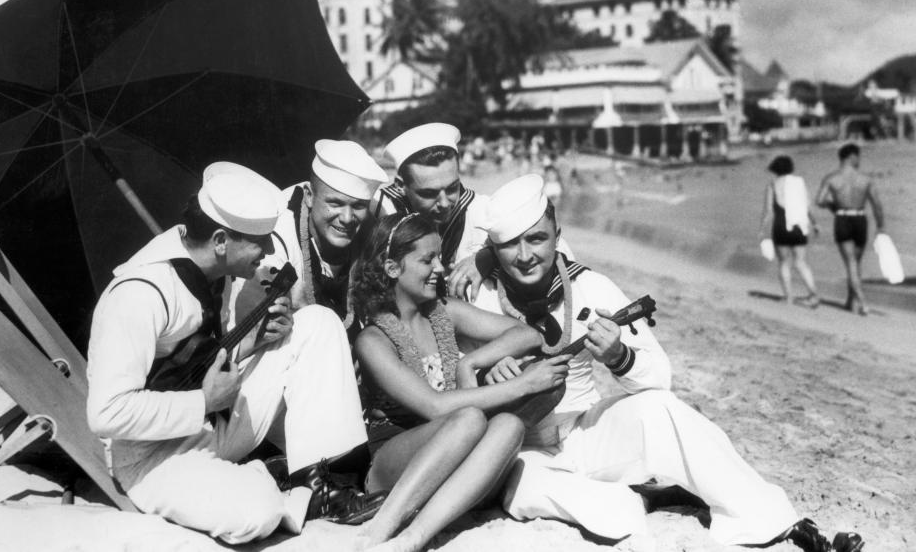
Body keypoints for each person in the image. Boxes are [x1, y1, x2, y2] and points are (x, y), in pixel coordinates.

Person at [467, 174, 861, 552]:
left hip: (586, 433)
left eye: (536, 239)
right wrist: (490, 380)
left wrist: (620, 357)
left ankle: (777, 520)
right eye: (509, 245)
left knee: (661, 410)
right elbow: (448, 388)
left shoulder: (590, 286)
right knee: (548, 497)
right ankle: (639, 498)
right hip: (521, 447)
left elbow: (661, 377)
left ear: (557, 236)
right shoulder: (475, 298)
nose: (525, 256)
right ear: (492, 250)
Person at [86, 162, 383, 544]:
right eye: (259, 241)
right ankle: (275, 481)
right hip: (151, 456)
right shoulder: (138, 295)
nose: (268, 250)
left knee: (317, 324)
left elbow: (192, 361)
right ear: (221, 240)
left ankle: (321, 484)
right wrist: (204, 401)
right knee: (258, 514)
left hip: (213, 423)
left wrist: (249, 345)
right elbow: (106, 414)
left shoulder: (209, 268)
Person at [350, 212, 572, 552]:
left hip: (457, 452)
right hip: (391, 464)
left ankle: (413, 538)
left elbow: (527, 334)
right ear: (393, 268)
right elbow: (434, 406)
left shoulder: (444, 312)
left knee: (511, 425)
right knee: (470, 418)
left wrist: (471, 362)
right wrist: (523, 385)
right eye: (427, 260)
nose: (440, 268)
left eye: (439, 257)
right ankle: (380, 529)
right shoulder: (373, 339)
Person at [373, 122, 572, 301]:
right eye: (429, 193)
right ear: (400, 185)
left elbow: (557, 249)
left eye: (452, 188)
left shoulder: (480, 209)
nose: (444, 203)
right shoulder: (378, 211)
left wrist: (490, 256)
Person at [227, 139, 387, 342]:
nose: (347, 218)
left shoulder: (371, 235)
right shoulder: (275, 241)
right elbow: (248, 330)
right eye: (335, 203)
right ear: (310, 196)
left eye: (358, 206)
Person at [816, 143, 886, 315]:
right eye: (858, 157)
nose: (859, 160)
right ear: (851, 157)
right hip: (860, 218)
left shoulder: (831, 178)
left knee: (850, 263)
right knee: (856, 262)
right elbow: (877, 204)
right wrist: (881, 226)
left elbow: (819, 200)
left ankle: (859, 302)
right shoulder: (866, 179)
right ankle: (853, 303)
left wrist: (834, 206)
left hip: (843, 219)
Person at [758, 155, 820, 308]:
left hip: (781, 226)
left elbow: (768, 211)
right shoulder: (799, 182)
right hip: (799, 226)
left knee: (784, 262)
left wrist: (762, 229)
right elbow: (807, 206)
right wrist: (815, 223)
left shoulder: (772, 184)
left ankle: (788, 298)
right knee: (800, 261)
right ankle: (813, 294)